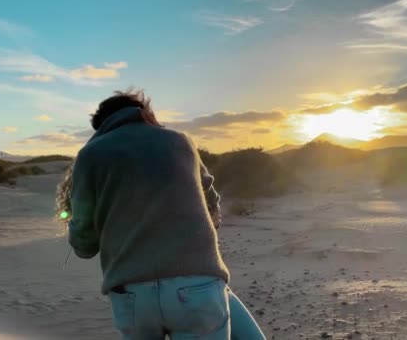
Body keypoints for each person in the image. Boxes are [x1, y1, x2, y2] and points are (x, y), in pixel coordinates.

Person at [57, 88, 265, 339]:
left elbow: (84, 244)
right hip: (196, 284)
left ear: (100, 126)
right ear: (144, 112)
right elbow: (212, 204)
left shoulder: (89, 155)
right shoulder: (180, 141)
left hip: (131, 293)